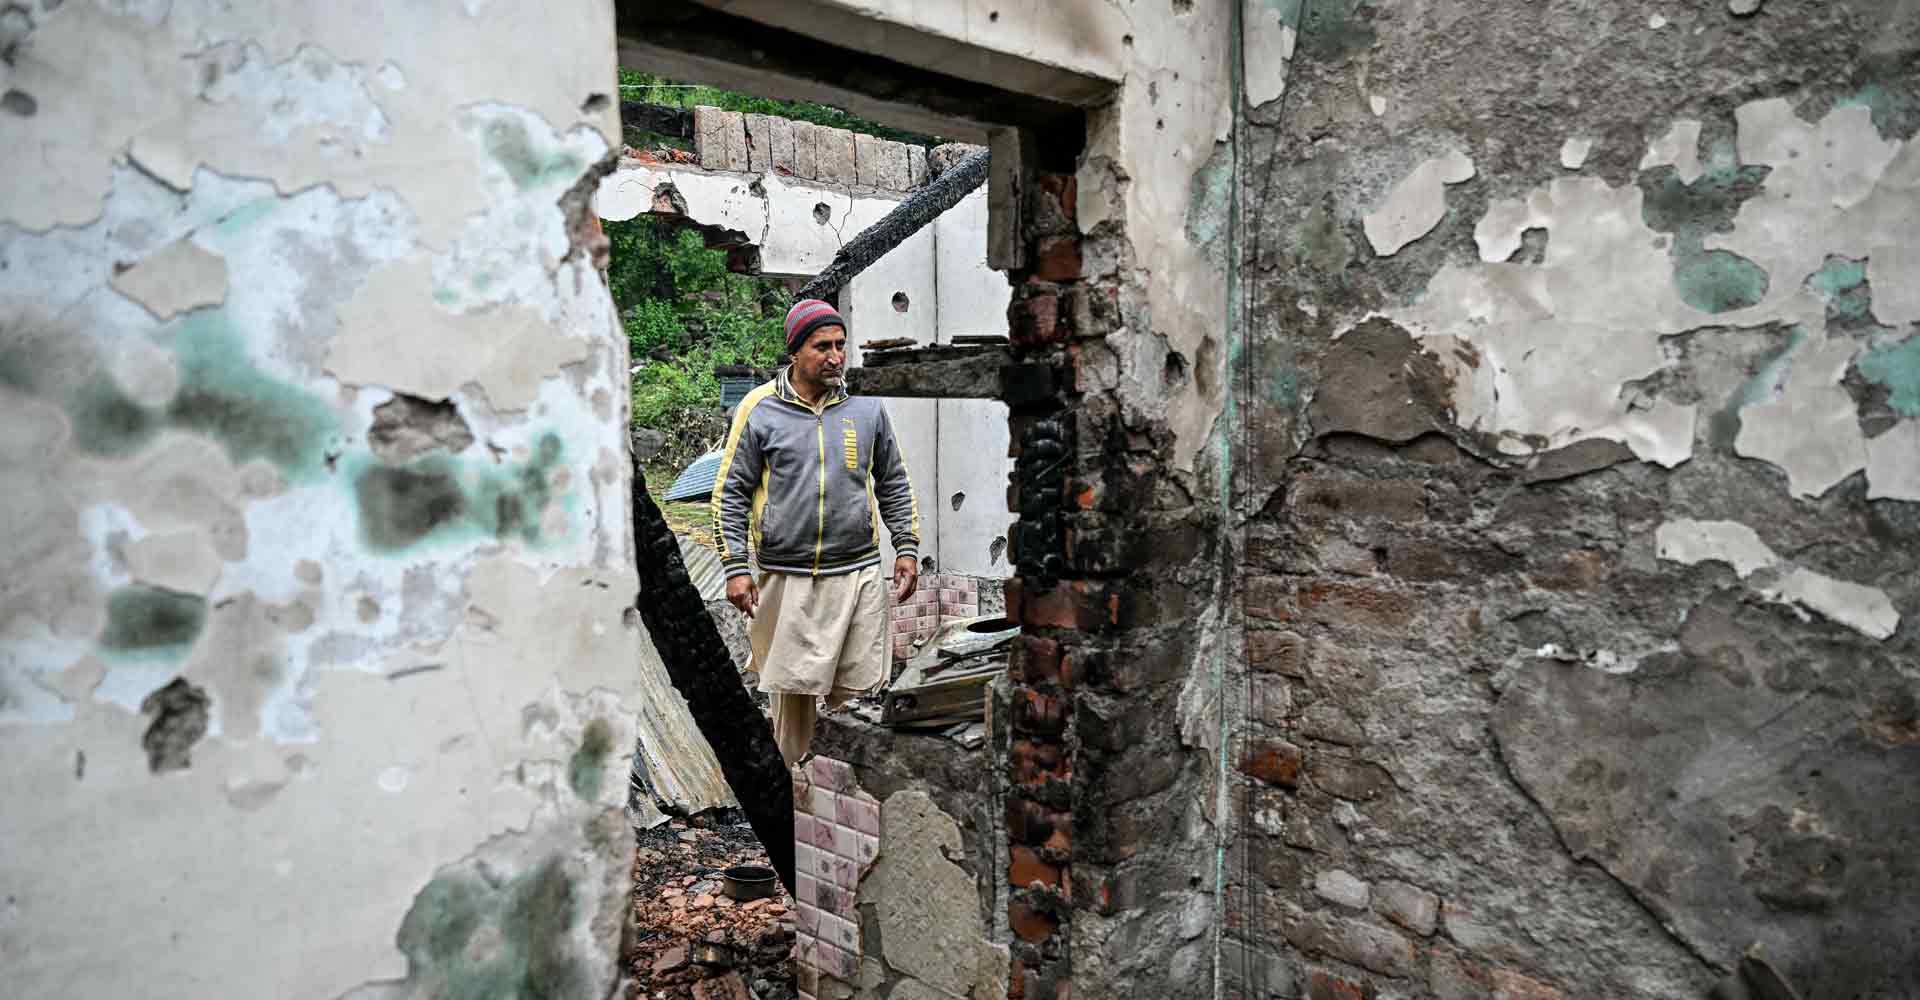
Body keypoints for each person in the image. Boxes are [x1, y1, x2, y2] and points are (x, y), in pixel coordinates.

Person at [712, 298, 921, 765]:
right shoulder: (759, 408)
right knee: (794, 697)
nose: (835, 356)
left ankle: (850, 795)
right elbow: (730, 492)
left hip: (858, 572)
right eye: (821, 346)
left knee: (860, 694)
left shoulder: (865, 405)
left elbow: (893, 479)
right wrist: (735, 567)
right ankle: (795, 796)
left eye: (840, 345)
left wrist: (905, 546)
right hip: (788, 578)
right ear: (795, 352)